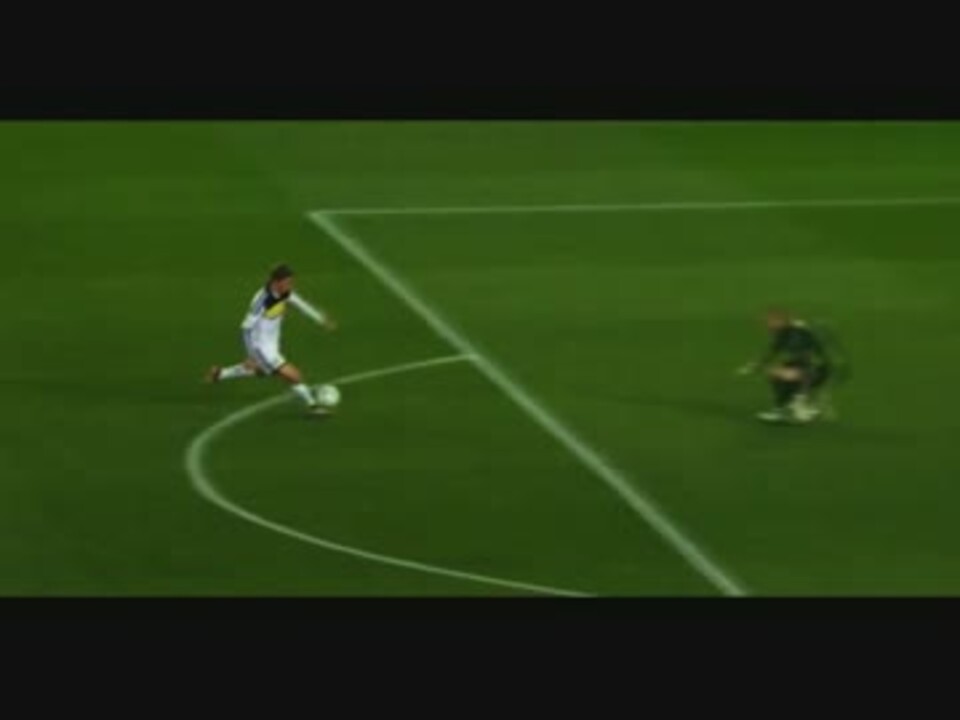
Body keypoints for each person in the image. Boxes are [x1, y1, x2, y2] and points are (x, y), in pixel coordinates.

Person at [206, 263, 337, 415]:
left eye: (291, 282)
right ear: (276, 282)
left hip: (272, 344)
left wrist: (320, 319)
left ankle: (220, 374)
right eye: (287, 282)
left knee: (262, 371)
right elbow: (246, 328)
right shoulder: (262, 300)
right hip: (260, 347)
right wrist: (251, 355)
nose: (290, 286)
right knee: (293, 375)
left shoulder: (284, 293)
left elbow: (299, 304)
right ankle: (313, 405)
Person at [737, 308, 845, 424]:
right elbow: (773, 351)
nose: (767, 326)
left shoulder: (797, 336)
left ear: (781, 321)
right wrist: (754, 366)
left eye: (770, 322)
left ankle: (799, 406)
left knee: (781, 374)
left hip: (821, 370)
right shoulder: (785, 332)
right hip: (813, 366)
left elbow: (811, 364)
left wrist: (801, 394)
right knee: (778, 373)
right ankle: (787, 409)